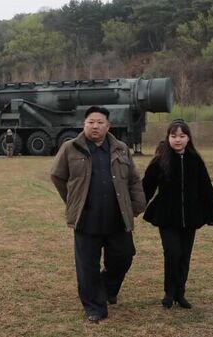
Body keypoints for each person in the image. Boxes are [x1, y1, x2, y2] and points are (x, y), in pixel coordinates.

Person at [51, 106, 146, 324]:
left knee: (124, 256)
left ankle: (106, 289)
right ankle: (94, 307)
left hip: (117, 217)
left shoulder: (120, 148)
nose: (95, 126)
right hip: (87, 218)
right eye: (91, 122)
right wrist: (74, 201)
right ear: (84, 125)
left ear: (108, 126)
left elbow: (133, 179)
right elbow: (57, 176)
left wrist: (137, 205)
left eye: (100, 122)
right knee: (87, 265)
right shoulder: (70, 148)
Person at [142, 119, 213, 309]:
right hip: (166, 217)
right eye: (173, 136)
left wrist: (212, 214)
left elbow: (206, 189)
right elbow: (146, 187)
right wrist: (136, 206)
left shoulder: (195, 160)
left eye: (182, 136)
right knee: (173, 252)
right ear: (168, 137)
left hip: (191, 217)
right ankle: (169, 293)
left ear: (188, 138)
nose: (178, 140)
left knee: (184, 255)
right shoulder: (161, 160)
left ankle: (180, 294)